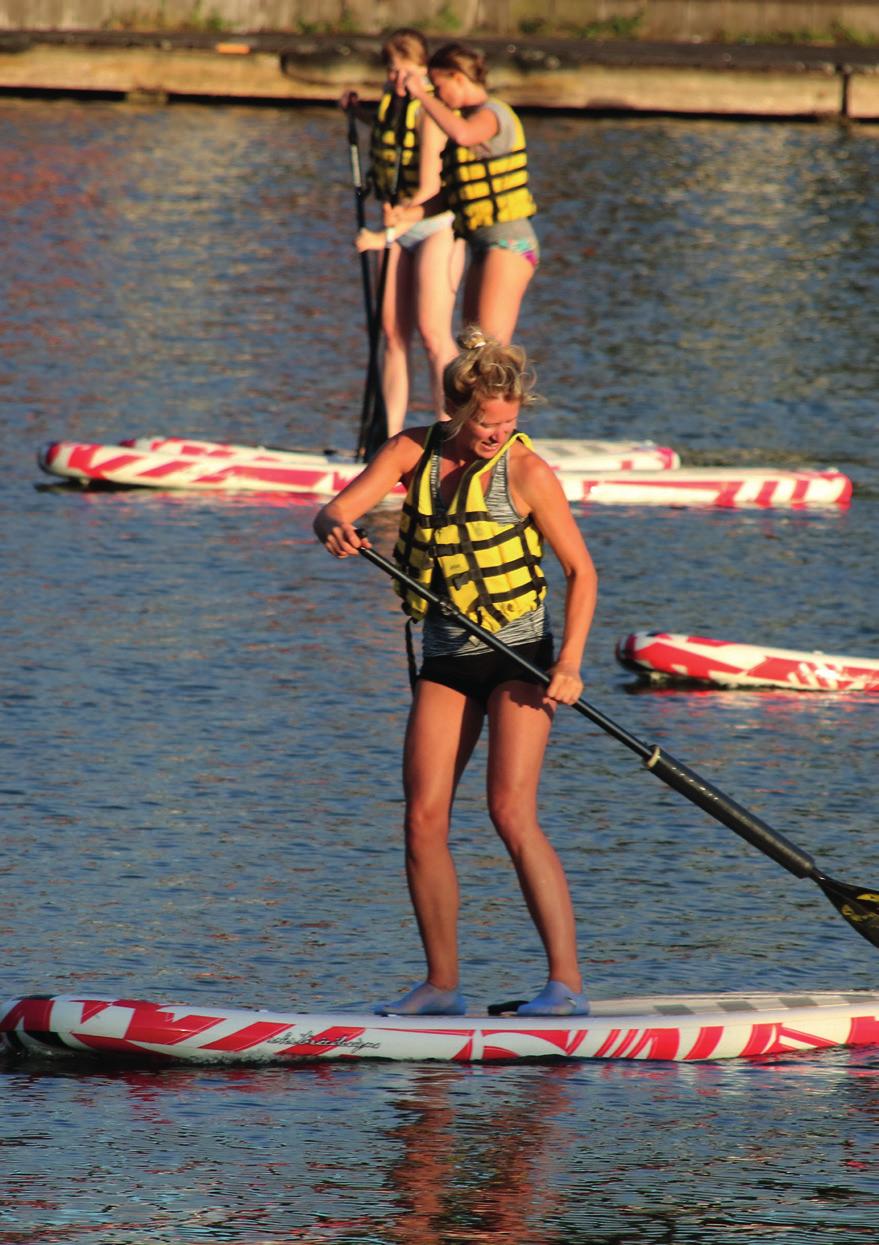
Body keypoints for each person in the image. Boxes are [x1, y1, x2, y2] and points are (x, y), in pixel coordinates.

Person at [313, 328, 597, 1017]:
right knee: (420, 818)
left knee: (509, 811)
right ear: (454, 412)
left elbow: (580, 572)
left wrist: (569, 664)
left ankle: (565, 987)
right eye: (485, 421)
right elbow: (339, 506)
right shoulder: (412, 450)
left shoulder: (527, 473)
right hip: (444, 654)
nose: (498, 431)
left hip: (520, 659)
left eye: (509, 419)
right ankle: (442, 984)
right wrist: (332, 523)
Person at [342, 29, 464, 436]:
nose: (398, 81)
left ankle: (449, 431)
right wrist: (355, 109)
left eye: (406, 73)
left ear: (424, 71)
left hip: (433, 228)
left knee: (433, 335)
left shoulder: (431, 114)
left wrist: (387, 234)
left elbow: (431, 188)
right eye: (392, 72)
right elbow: (383, 128)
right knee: (393, 336)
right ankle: (390, 438)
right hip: (395, 230)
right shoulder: (392, 107)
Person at [380, 41, 539, 346]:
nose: (439, 97)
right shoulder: (463, 122)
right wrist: (405, 214)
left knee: (487, 350)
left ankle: (507, 395)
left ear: (458, 78)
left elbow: (463, 134)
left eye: (439, 87)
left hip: (509, 242)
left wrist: (423, 97)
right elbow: (448, 199)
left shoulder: (492, 114)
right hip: (481, 245)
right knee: (470, 347)